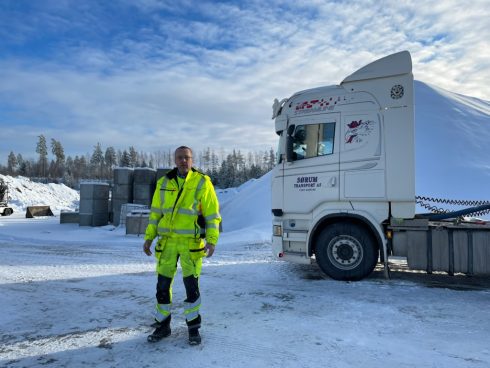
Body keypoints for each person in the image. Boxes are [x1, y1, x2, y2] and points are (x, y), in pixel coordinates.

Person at [143, 146, 221, 345]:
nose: (183, 161)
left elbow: (212, 215)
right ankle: (162, 327)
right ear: (175, 160)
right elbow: (155, 215)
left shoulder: (202, 182)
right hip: (167, 243)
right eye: (180, 158)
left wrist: (211, 240)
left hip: (190, 245)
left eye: (187, 157)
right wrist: (149, 238)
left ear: (192, 160)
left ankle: (193, 329)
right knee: (162, 287)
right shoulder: (163, 182)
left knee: (191, 288)